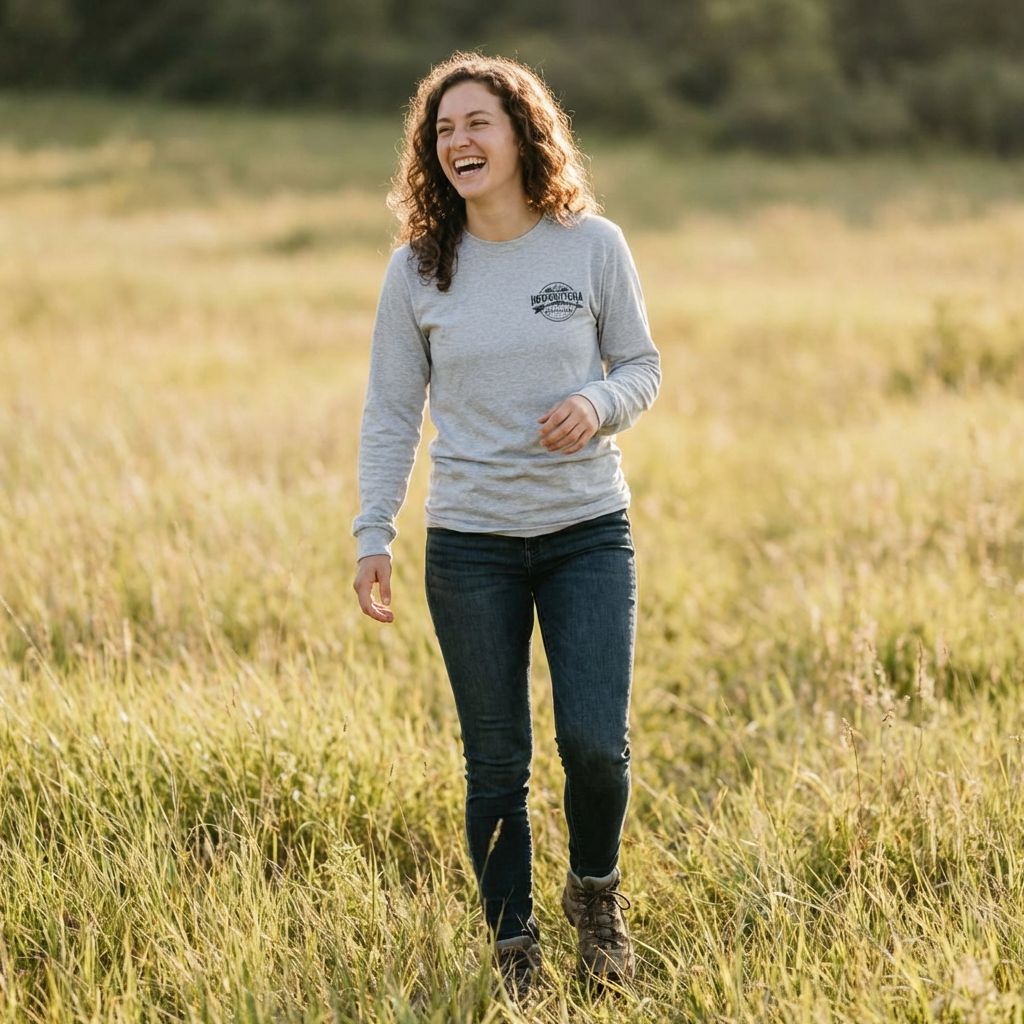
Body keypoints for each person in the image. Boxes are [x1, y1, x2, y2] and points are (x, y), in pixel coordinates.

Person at [352, 52, 660, 993]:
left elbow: (642, 366)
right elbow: (391, 411)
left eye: (477, 123)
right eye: (443, 131)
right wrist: (374, 530)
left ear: (524, 134)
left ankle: (595, 896)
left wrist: (599, 403)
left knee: (596, 748)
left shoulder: (592, 245)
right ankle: (515, 951)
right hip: (472, 545)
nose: (458, 143)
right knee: (496, 763)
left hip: (586, 533)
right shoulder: (418, 269)